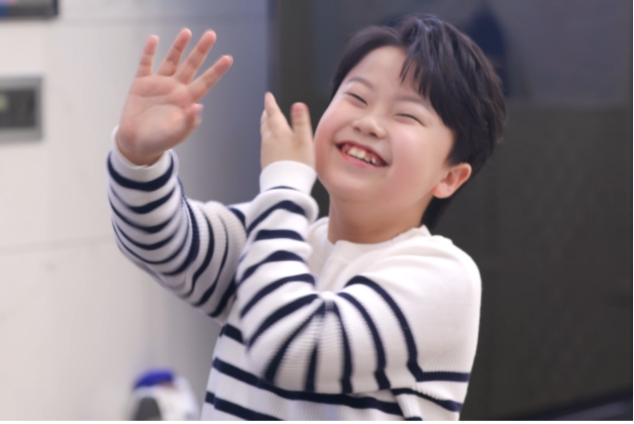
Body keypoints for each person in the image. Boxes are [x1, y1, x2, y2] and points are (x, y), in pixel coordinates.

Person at [107, 14, 506, 421]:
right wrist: (138, 155)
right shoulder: (273, 233)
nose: (369, 123)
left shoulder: (443, 278)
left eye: (407, 115)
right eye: (357, 97)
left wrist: (284, 186)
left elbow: (291, 348)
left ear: (449, 177)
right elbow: (158, 242)